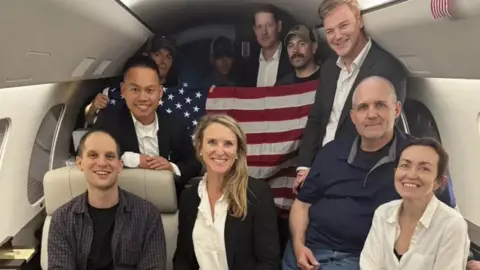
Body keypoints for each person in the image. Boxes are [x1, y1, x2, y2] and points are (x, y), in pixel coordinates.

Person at [282, 76, 456, 270]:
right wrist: (298, 246)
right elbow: (303, 204)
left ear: (396, 109)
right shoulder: (331, 152)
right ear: (354, 116)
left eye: (380, 105)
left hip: (365, 258)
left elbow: (446, 215)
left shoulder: (419, 157)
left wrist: (464, 257)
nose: (371, 114)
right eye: (363, 107)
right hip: (308, 251)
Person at [294, 0, 408, 194]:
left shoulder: (387, 69)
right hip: (320, 168)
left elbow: (378, 135)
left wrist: (330, 172)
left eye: (344, 26)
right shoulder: (329, 68)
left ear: (360, 21)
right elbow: (317, 119)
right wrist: (305, 167)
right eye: (330, 31)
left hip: (357, 175)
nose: (337, 36)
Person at [173, 114, 280, 270]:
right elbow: (182, 258)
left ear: (238, 151)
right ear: (200, 148)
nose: (220, 151)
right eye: (212, 142)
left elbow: (269, 262)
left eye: (228, 144)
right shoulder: (188, 197)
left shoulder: (257, 193)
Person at [48, 129, 167, 269]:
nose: (102, 163)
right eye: (93, 155)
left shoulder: (148, 215)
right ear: (80, 163)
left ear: (120, 165)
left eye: (110, 156)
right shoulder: (62, 219)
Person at [93, 55, 201, 196]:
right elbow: (87, 152)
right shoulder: (108, 120)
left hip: (166, 202)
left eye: (150, 90)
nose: (143, 98)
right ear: (123, 91)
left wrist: (171, 168)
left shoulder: (174, 123)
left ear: (160, 93)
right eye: (135, 90)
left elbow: (193, 163)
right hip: (123, 202)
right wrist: (134, 159)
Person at [359, 137, 470, 269]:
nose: (411, 175)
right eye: (405, 165)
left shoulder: (452, 224)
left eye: (424, 169)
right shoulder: (383, 213)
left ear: (439, 182)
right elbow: (369, 266)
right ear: (395, 172)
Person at [84, 35, 177, 126]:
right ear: (147, 56)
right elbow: (90, 119)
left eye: (169, 57)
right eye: (158, 54)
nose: (163, 61)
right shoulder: (117, 91)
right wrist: (93, 107)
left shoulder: (177, 96)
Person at [243, 4, 292, 87]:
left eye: (269, 25)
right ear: (254, 30)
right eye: (259, 27)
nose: (264, 32)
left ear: (279, 26)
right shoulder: (246, 66)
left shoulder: (293, 59)